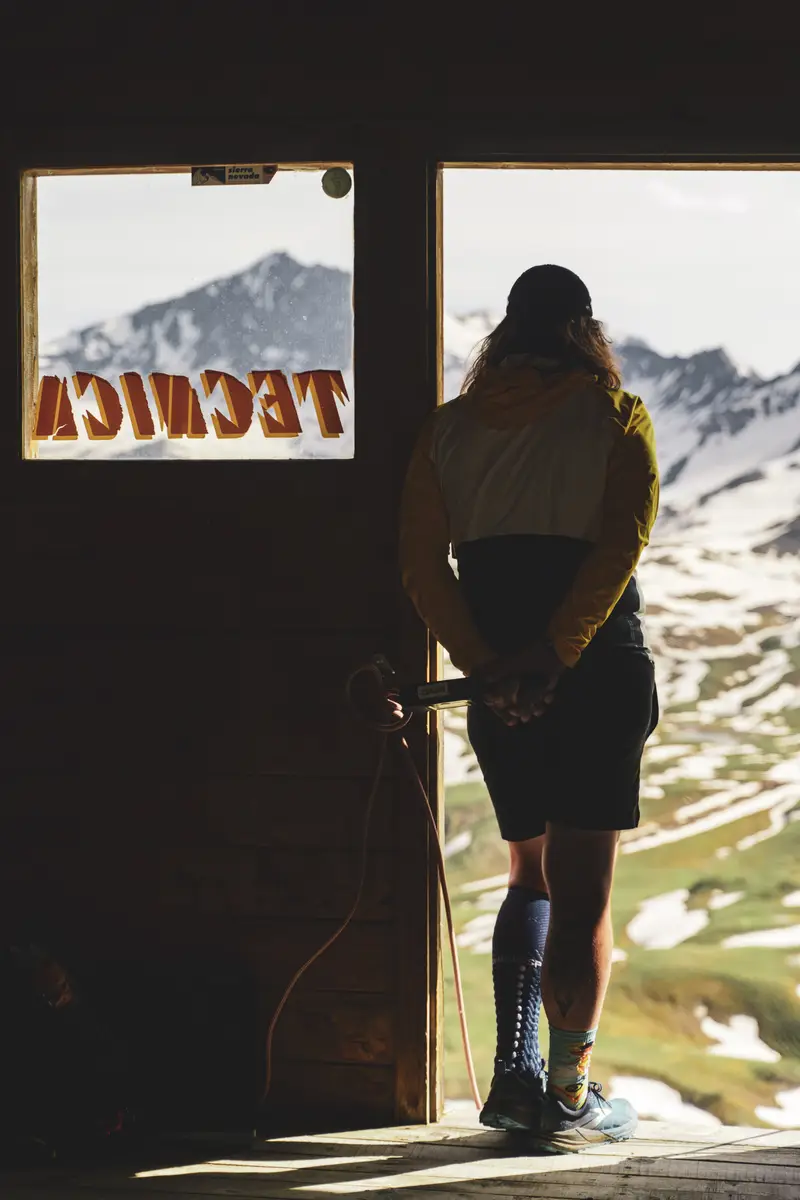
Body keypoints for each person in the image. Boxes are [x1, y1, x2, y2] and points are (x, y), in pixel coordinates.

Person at [398, 265, 659, 1154]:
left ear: (502, 337)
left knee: (528, 873)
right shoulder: (617, 420)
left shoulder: (449, 431)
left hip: (501, 679)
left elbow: (424, 569)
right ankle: (570, 1092)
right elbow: (622, 544)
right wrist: (558, 654)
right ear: (587, 332)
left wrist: (488, 667)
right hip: (595, 672)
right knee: (585, 893)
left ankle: (511, 1084)